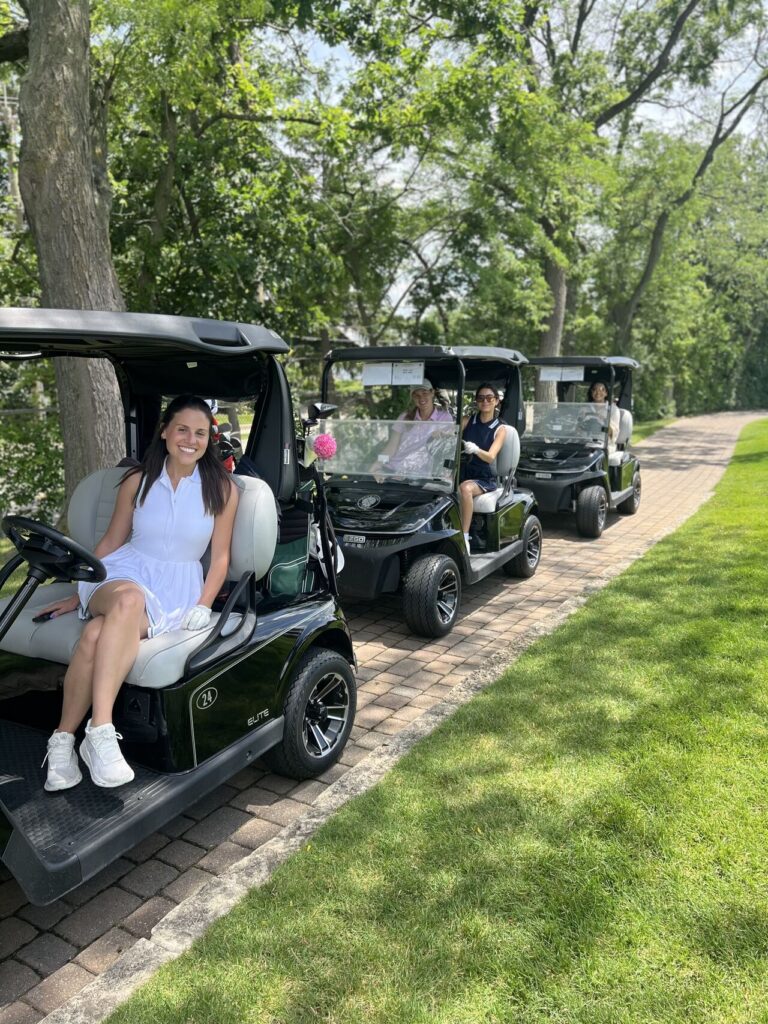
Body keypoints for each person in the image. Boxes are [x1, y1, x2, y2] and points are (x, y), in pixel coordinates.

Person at [39, 395, 240, 791]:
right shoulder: (137, 479)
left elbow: (219, 560)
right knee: (128, 600)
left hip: (176, 588)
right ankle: (101, 730)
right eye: (182, 429)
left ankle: (62, 741)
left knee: (96, 636)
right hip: (121, 573)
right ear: (164, 431)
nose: (190, 439)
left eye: (200, 433)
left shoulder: (222, 489)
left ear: (209, 440)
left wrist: (203, 605)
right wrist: (79, 589)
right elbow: (113, 540)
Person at [370, 379, 453, 478]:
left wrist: (441, 436)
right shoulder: (404, 417)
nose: (421, 398)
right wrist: (378, 464)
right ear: (412, 398)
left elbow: (447, 448)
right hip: (393, 469)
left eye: (424, 393)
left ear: (432, 393)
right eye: (416, 395)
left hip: (421, 475)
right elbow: (391, 447)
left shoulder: (445, 418)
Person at [459, 384, 508, 549]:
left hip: (483, 477)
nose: (485, 401)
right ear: (476, 401)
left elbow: (490, 457)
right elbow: (450, 433)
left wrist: (476, 449)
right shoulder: (467, 420)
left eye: (489, 398)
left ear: (496, 401)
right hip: (461, 471)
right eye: (481, 398)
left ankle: (464, 537)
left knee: (465, 488)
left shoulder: (500, 429)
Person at [583, 381, 620, 448]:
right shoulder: (584, 408)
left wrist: (602, 420)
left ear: (606, 393)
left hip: (605, 444)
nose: (598, 392)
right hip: (585, 442)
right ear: (591, 392)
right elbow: (578, 427)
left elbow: (614, 432)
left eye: (602, 390)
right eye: (595, 389)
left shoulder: (613, 409)